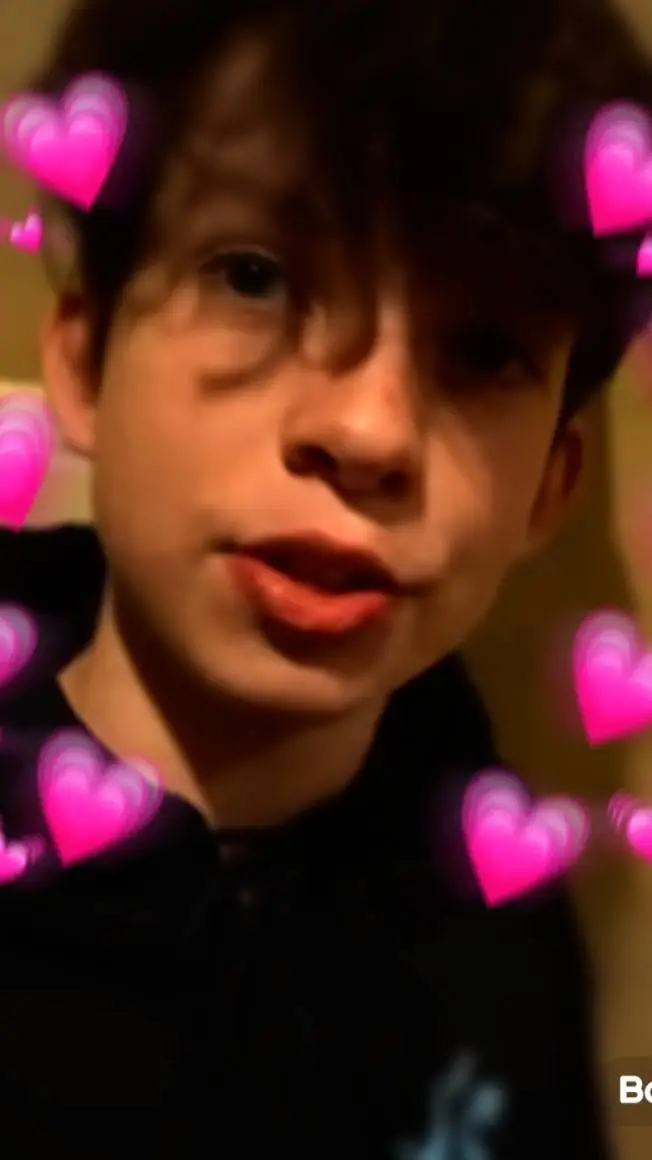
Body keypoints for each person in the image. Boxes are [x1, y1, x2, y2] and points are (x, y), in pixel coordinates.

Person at [0, 0, 650, 1153]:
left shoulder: (504, 950)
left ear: (548, 488)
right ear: (87, 358)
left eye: (482, 348)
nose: (369, 429)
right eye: (253, 276)